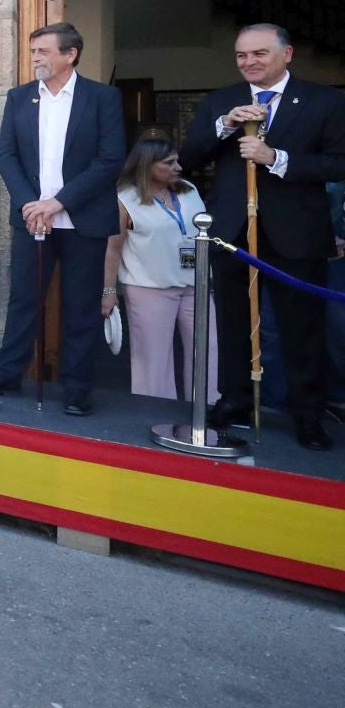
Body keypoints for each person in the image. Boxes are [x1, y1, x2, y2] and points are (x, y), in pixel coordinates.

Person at [182, 23, 345, 451]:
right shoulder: (222, 100)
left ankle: (307, 414)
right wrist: (223, 125)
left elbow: (338, 163)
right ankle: (233, 398)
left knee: (301, 328)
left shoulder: (324, 100)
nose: (249, 62)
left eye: (259, 54)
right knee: (233, 322)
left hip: (296, 233)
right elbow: (188, 156)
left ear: (287, 54)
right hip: (232, 231)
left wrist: (277, 159)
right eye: (241, 56)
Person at [0, 24, 125, 416]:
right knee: (23, 299)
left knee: (80, 304)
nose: (35, 57)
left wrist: (56, 203)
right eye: (33, 50)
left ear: (70, 54)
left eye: (42, 51)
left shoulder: (102, 97)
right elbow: (7, 155)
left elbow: (109, 159)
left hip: (82, 219)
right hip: (32, 220)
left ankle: (76, 387)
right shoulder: (20, 97)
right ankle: (7, 373)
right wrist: (29, 204)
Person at [103, 135, 216, 401]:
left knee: (206, 350)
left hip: (196, 284)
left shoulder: (188, 189)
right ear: (146, 165)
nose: (178, 167)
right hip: (149, 287)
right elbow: (113, 248)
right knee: (153, 359)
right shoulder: (125, 199)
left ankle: (207, 410)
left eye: (177, 161)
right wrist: (109, 291)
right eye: (168, 163)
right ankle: (154, 415)